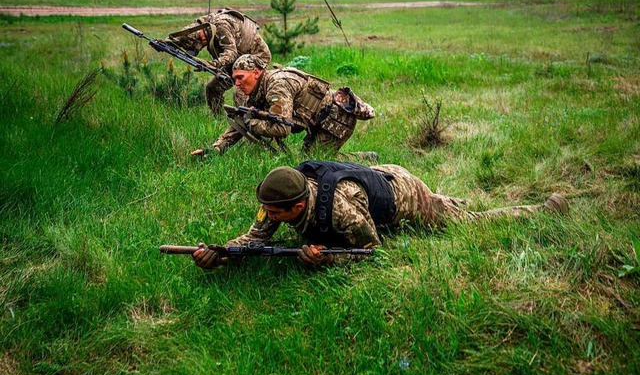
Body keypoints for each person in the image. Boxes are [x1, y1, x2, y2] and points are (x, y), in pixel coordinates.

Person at [192, 160, 569, 268]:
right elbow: (254, 239)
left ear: (299, 207)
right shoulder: (281, 197)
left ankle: (541, 210)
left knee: (459, 221)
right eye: (267, 212)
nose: (269, 218)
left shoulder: (341, 209)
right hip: (374, 177)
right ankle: (454, 201)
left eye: (276, 214)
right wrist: (221, 253)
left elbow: (372, 250)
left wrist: (326, 260)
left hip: (402, 194)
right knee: (450, 205)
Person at [190, 55, 375, 156]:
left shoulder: (277, 86)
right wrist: (215, 149)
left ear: (256, 73)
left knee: (314, 166)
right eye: (235, 78)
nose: (236, 83)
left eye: (240, 78)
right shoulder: (257, 88)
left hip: (336, 120)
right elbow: (241, 120)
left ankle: (364, 158)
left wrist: (252, 125)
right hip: (318, 121)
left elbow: (281, 128)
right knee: (307, 163)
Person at [165, 8, 271, 114]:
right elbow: (186, 34)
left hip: (257, 57)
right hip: (237, 60)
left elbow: (231, 52)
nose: (203, 44)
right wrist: (168, 42)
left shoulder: (221, 26)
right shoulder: (201, 25)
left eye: (201, 42)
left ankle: (246, 123)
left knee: (240, 93)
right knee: (213, 88)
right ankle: (219, 120)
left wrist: (213, 64)